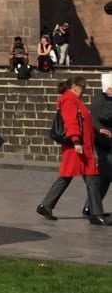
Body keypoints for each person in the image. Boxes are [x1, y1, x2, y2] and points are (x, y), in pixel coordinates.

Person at [37, 76, 108, 226]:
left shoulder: (71, 99)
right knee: (88, 179)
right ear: (76, 87)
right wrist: (76, 141)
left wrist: (97, 130)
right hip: (78, 147)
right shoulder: (69, 100)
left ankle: (46, 205)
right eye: (83, 89)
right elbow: (71, 122)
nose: (83, 92)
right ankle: (95, 213)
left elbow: (82, 121)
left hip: (82, 147)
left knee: (70, 177)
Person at [91, 72, 112, 210]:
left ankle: (91, 206)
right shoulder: (101, 99)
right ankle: (92, 207)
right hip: (104, 141)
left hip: (106, 140)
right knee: (107, 172)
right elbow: (105, 117)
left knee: (105, 176)